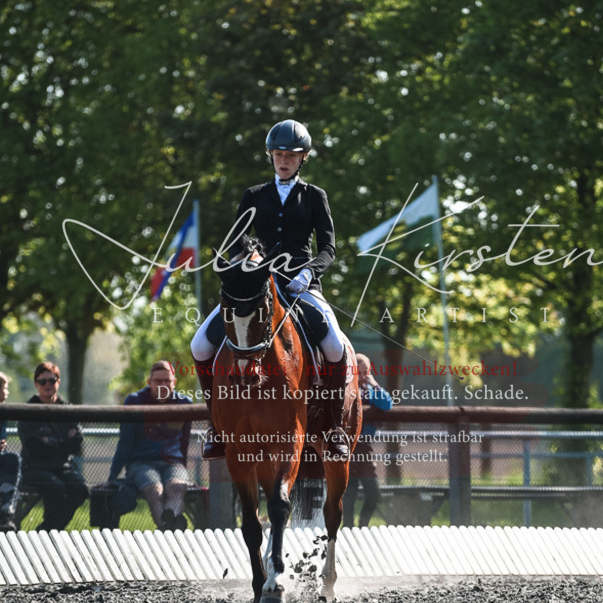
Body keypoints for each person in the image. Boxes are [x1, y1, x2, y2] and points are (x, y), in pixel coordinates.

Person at [191, 118, 351, 460]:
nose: (284, 160)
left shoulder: (314, 197)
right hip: (254, 287)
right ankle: (217, 426)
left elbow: (328, 249)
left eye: (291, 156)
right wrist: (248, 262)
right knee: (201, 345)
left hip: (299, 285)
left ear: (303, 158)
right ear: (271, 156)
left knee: (336, 346)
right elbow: (235, 243)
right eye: (278, 154)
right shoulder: (254, 195)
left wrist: (309, 273)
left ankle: (335, 425)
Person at [108, 360, 193, 530]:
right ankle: (171, 526)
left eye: (167, 381)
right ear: (149, 382)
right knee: (155, 490)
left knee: (177, 488)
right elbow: (125, 442)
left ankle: (165, 527)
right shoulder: (135, 401)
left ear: (174, 382)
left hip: (173, 462)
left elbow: (184, 441)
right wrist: (113, 476)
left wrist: (182, 466)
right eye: (158, 381)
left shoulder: (184, 403)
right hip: (141, 463)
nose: (163, 385)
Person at [18, 362, 89, 531]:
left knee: (80, 488)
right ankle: (50, 532)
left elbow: (77, 443)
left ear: (58, 382)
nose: (47, 385)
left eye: (52, 380)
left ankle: (47, 530)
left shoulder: (68, 409)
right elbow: (32, 446)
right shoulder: (27, 409)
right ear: (36, 384)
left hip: (62, 467)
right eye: (43, 382)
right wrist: (63, 441)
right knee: (54, 487)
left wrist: (49, 441)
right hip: (33, 468)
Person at [343, 353, 392, 528]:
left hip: (365, 447)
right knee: (349, 492)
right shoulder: (346, 388)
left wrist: (375, 385)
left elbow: (387, 404)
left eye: (366, 372)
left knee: (373, 493)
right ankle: (348, 528)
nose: (363, 376)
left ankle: (363, 525)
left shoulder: (371, 390)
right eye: (359, 372)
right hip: (348, 447)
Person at [0, 371, 22, 532]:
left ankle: (6, 510)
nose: (7, 393)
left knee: (12, 459)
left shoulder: (3, 413)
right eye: (5, 388)